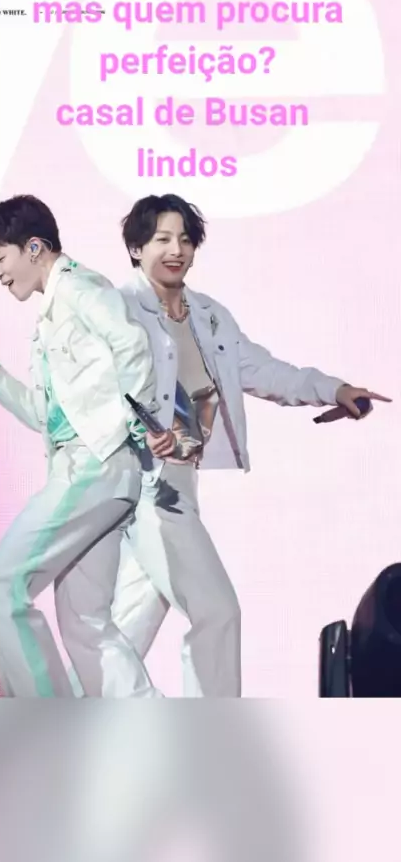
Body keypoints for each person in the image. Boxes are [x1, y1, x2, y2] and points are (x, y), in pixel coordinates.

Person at [55, 194, 391, 698]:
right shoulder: (116, 310)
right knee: (216, 611)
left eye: (185, 240)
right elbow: (88, 391)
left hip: (180, 481)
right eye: (162, 239)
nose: (176, 250)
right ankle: (213, 730)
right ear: (136, 248)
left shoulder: (209, 316)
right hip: (144, 482)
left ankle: (62, 719)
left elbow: (262, 370)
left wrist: (334, 389)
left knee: (132, 618)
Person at [0, 194, 170, 698]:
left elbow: (133, 346)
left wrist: (138, 425)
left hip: (94, 466)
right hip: (97, 471)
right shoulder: (49, 318)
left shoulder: (81, 289)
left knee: (0, 586)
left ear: (34, 247)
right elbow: (43, 417)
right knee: (86, 622)